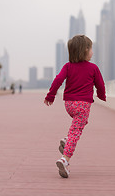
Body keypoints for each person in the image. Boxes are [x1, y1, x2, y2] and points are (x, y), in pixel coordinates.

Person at [44, 35, 106, 178]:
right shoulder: (93, 68)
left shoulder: (68, 66)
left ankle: (67, 140)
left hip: (69, 105)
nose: (92, 52)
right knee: (76, 131)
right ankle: (65, 160)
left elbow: (58, 80)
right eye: (91, 49)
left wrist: (50, 95)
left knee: (80, 123)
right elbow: (100, 85)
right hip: (83, 105)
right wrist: (102, 95)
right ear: (85, 50)